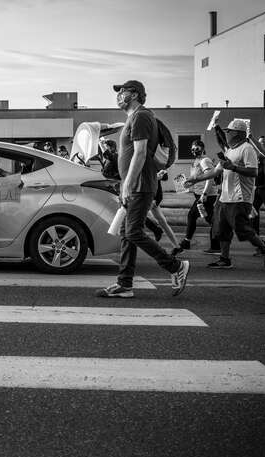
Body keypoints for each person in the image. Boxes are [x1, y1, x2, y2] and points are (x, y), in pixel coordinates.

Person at [96, 80, 189, 298]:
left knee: (133, 232)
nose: (118, 95)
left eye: (122, 91)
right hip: (133, 185)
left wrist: (127, 184)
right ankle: (124, 285)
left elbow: (140, 152)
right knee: (127, 234)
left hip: (140, 185)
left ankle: (176, 267)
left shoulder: (141, 116)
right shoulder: (135, 117)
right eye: (117, 92)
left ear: (135, 94)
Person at [186, 119, 265, 270]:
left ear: (238, 133)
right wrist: (195, 179)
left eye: (229, 131)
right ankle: (224, 259)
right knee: (221, 229)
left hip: (240, 197)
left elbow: (253, 171)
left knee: (242, 230)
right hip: (224, 197)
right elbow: (215, 171)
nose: (227, 134)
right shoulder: (229, 151)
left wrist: (233, 167)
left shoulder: (247, 149)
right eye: (227, 132)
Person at [180, 140, 221, 254]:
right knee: (210, 219)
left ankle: (186, 241)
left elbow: (210, 177)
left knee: (192, 215)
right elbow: (198, 177)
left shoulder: (205, 160)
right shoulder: (196, 161)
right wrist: (189, 183)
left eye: (196, 148)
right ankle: (216, 245)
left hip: (206, 195)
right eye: (192, 149)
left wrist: (204, 194)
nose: (194, 151)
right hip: (201, 194)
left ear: (202, 148)